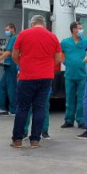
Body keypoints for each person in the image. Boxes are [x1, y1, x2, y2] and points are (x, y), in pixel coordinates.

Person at [10, 15, 61, 148]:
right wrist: (47, 66)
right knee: (40, 108)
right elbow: (58, 59)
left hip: (27, 76)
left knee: (22, 108)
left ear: (32, 23)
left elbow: (14, 55)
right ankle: (35, 140)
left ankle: (17, 140)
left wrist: (23, 64)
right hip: (45, 77)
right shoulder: (52, 37)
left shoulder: (23, 34)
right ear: (44, 24)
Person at [60, 21, 87, 129]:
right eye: (79, 28)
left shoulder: (85, 41)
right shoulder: (65, 42)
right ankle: (69, 120)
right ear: (73, 30)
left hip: (82, 75)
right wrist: (65, 62)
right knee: (69, 98)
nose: (81, 30)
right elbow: (59, 53)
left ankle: (81, 120)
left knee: (82, 99)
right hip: (70, 74)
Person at [0, 23, 18, 116]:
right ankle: (2, 107)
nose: (6, 31)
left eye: (7, 29)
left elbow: (8, 52)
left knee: (11, 88)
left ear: (12, 29)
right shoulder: (11, 39)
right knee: (2, 87)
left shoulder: (14, 38)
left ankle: (13, 110)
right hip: (8, 65)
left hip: (11, 65)